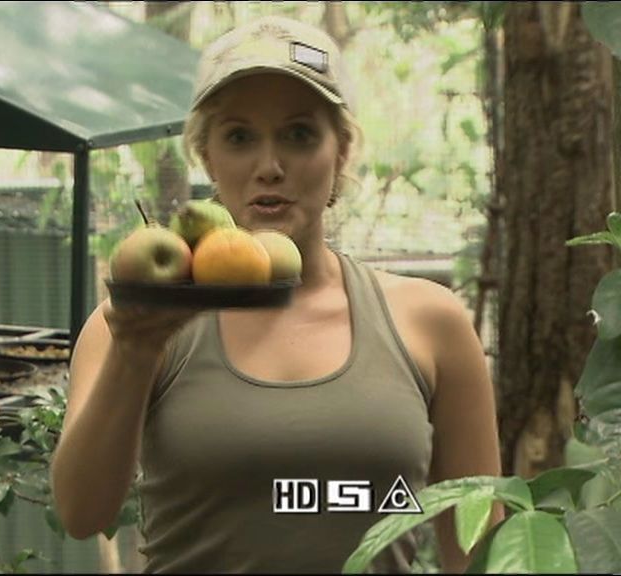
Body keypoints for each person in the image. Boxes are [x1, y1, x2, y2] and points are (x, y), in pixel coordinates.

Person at [51, 14, 502, 574]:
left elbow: (481, 548)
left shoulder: (430, 322)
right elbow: (82, 514)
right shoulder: (138, 322)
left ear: (341, 151)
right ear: (207, 155)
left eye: (299, 134)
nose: (269, 167)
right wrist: (134, 353)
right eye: (239, 137)